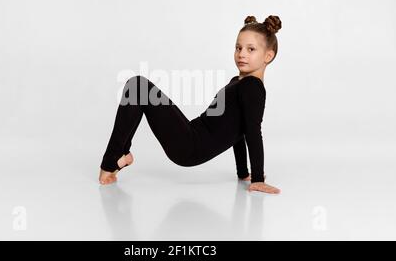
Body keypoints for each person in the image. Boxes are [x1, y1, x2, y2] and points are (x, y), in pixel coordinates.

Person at [99, 15, 281, 194]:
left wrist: (258, 179)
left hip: (191, 146)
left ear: (268, 55)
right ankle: (120, 156)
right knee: (138, 87)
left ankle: (112, 160)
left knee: (138, 86)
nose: (241, 54)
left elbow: (252, 131)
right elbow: (239, 132)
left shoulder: (253, 87)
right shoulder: (239, 82)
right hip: (191, 136)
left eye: (251, 49)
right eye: (238, 47)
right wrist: (243, 173)